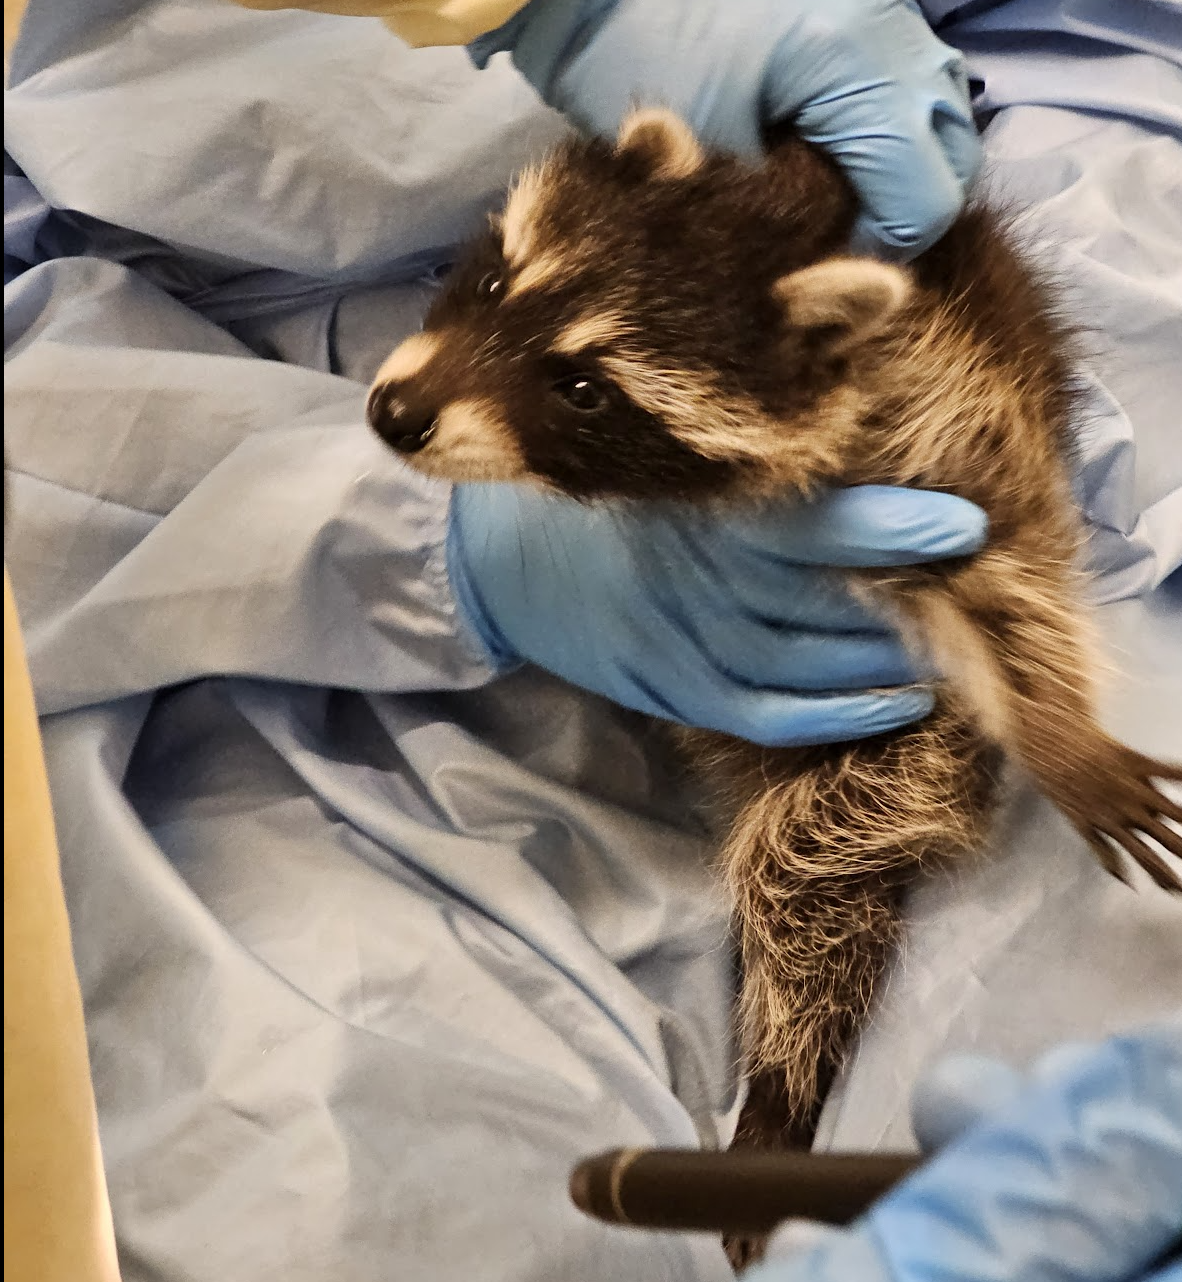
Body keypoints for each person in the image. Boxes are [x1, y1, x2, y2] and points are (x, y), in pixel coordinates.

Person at [3, 1, 1179, 1280]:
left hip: (951, 613)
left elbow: (1097, 50)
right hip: (209, 649)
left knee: (1079, 1057)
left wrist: (1066, 412)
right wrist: (397, 541)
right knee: (345, 1189)